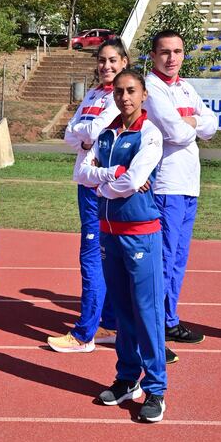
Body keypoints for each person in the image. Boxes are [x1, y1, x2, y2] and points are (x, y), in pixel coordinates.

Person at [76, 69, 167, 422]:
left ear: (144, 95)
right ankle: (127, 378)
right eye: (118, 91)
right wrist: (111, 176)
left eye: (131, 91)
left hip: (140, 233)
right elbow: (82, 174)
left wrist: (104, 182)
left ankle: (156, 389)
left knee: (147, 312)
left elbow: (135, 180)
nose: (124, 97)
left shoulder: (150, 134)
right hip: (108, 232)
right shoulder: (105, 133)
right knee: (123, 312)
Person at [47, 39, 128, 353]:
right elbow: (69, 133)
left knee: (92, 257)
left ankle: (84, 335)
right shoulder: (94, 94)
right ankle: (109, 324)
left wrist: (85, 134)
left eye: (112, 60)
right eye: (102, 60)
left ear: (124, 62)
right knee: (104, 258)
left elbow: (93, 132)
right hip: (86, 183)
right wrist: (83, 134)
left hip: (101, 187)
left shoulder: (121, 96)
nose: (106, 66)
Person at [144, 30, 219, 346]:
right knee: (164, 258)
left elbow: (213, 125)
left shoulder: (186, 88)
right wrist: (194, 124)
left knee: (177, 259)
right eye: (165, 52)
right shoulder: (151, 88)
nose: (171, 58)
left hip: (189, 184)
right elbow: (176, 133)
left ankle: (169, 318)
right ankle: (157, 324)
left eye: (177, 51)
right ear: (153, 55)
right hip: (166, 185)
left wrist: (194, 123)